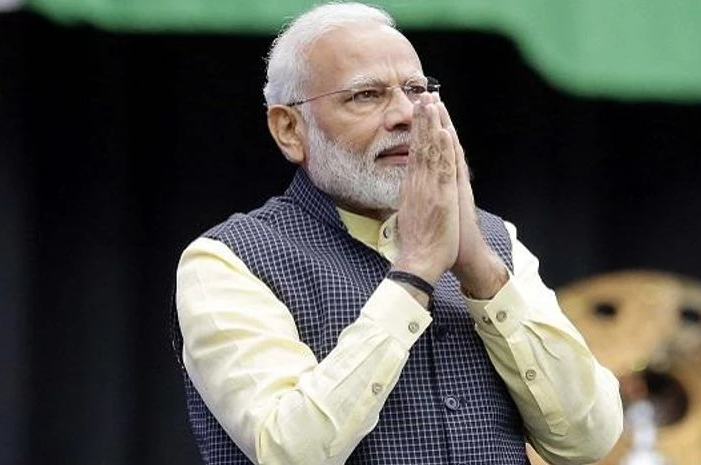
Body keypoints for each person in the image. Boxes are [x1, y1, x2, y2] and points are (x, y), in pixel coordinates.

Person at [172, 2, 623, 464]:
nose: (406, 114)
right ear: (289, 129)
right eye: (366, 95)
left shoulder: (495, 241)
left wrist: (482, 273)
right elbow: (289, 451)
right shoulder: (229, 260)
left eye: (416, 90)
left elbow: (589, 441)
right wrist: (416, 271)